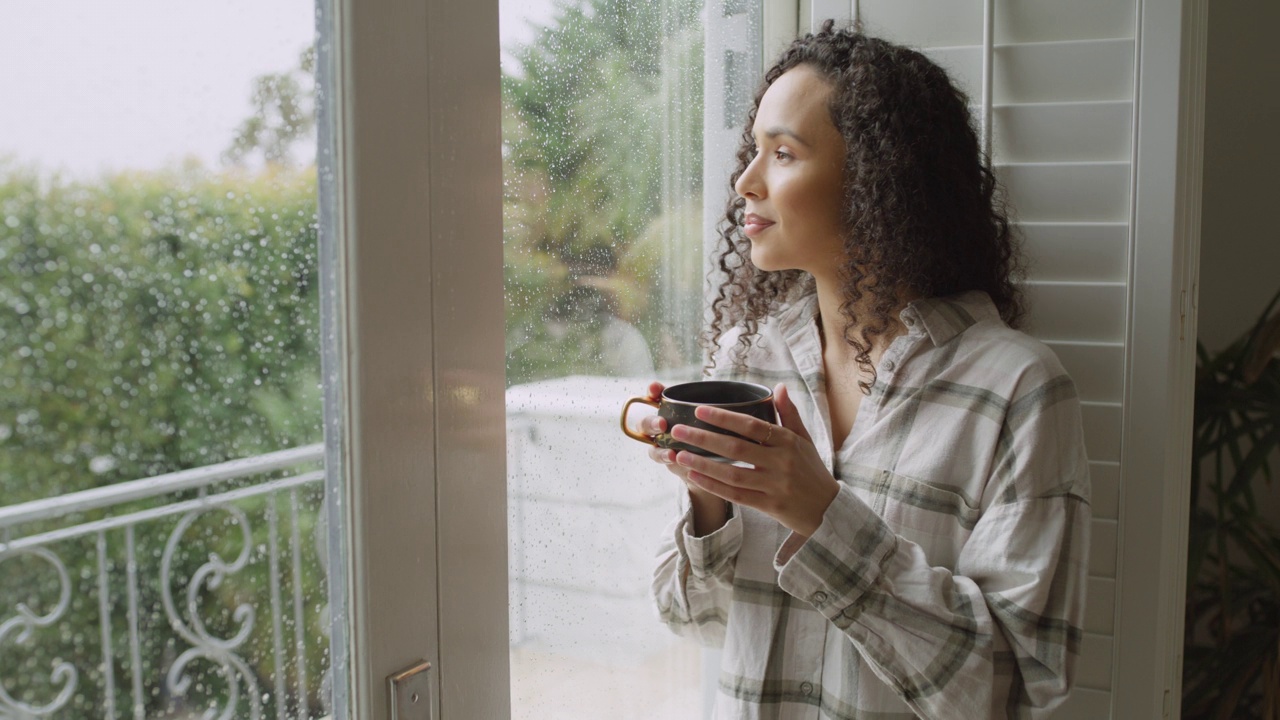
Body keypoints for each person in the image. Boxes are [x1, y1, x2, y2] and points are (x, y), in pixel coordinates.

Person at [643, 21, 1090, 719]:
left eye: (782, 153)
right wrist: (709, 499)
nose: (745, 181)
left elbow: (1013, 686)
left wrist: (822, 516)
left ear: (877, 179)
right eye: (751, 151)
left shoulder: (1017, 391)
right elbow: (696, 624)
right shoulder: (744, 361)